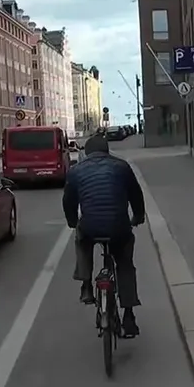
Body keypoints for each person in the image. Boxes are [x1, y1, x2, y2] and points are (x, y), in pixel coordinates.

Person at [63, 134, 146, 337]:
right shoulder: (122, 167)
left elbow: (68, 201)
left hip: (90, 227)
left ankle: (86, 285)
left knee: (82, 239)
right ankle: (128, 315)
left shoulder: (76, 171)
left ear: (87, 152)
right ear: (107, 150)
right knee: (125, 264)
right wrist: (138, 216)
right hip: (119, 227)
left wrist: (73, 222)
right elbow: (136, 195)